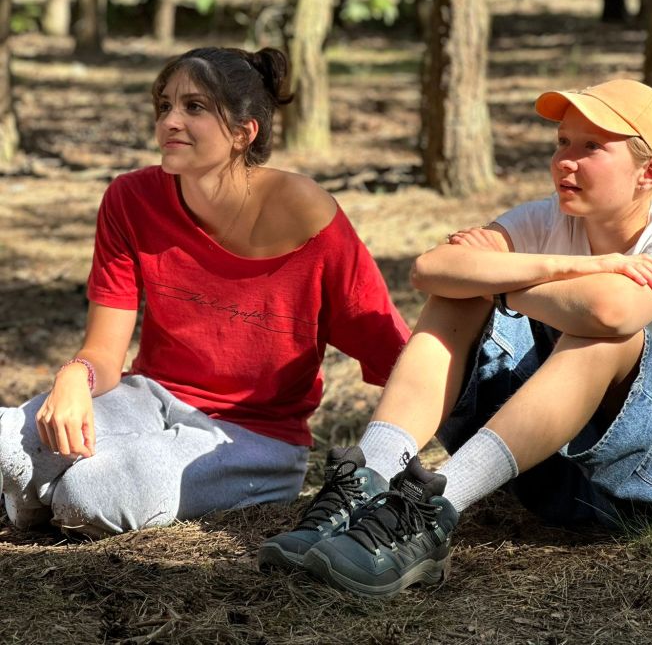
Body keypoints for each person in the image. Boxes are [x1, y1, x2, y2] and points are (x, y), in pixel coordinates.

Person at [260, 78, 652, 598]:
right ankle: (368, 481)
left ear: (649, 173)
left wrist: (499, 280)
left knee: (603, 335)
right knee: (457, 295)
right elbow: (433, 269)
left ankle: (433, 510)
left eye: (590, 147)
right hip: (551, 475)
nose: (565, 161)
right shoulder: (546, 217)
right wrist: (569, 267)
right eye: (562, 142)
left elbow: (611, 313)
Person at [0, 47, 410, 537]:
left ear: (243, 132)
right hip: (148, 398)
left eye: (194, 106)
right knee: (6, 443)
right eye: (164, 106)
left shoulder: (306, 214)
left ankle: (38, 496)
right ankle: (37, 496)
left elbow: (394, 351)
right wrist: (75, 375)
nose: (170, 121)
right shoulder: (131, 200)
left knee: (90, 493)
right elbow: (104, 353)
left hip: (254, 437)